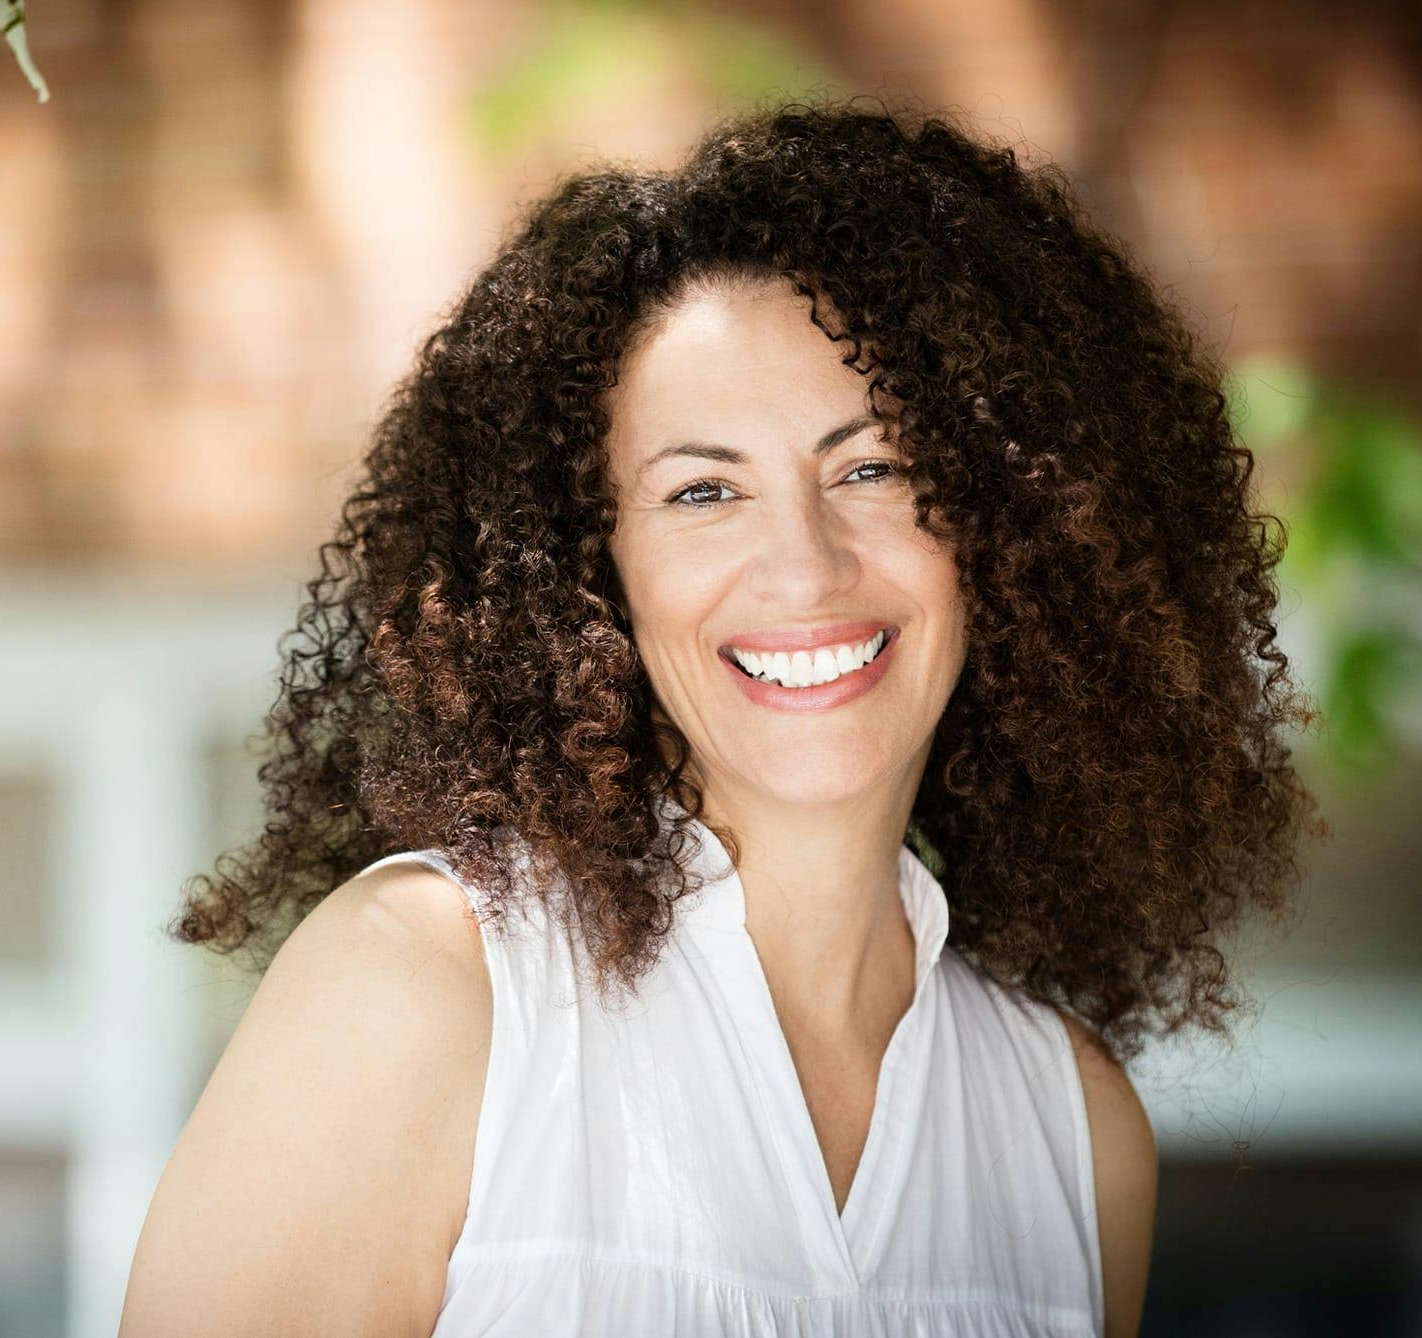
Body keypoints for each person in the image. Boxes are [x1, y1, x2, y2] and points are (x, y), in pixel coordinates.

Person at [119, 95, 1326, 1337]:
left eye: (874, 467)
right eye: (703, 491)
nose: (804, 568)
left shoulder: (1076, 1138)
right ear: (592, 573)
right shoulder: (428, 987)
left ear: (1013, 520)